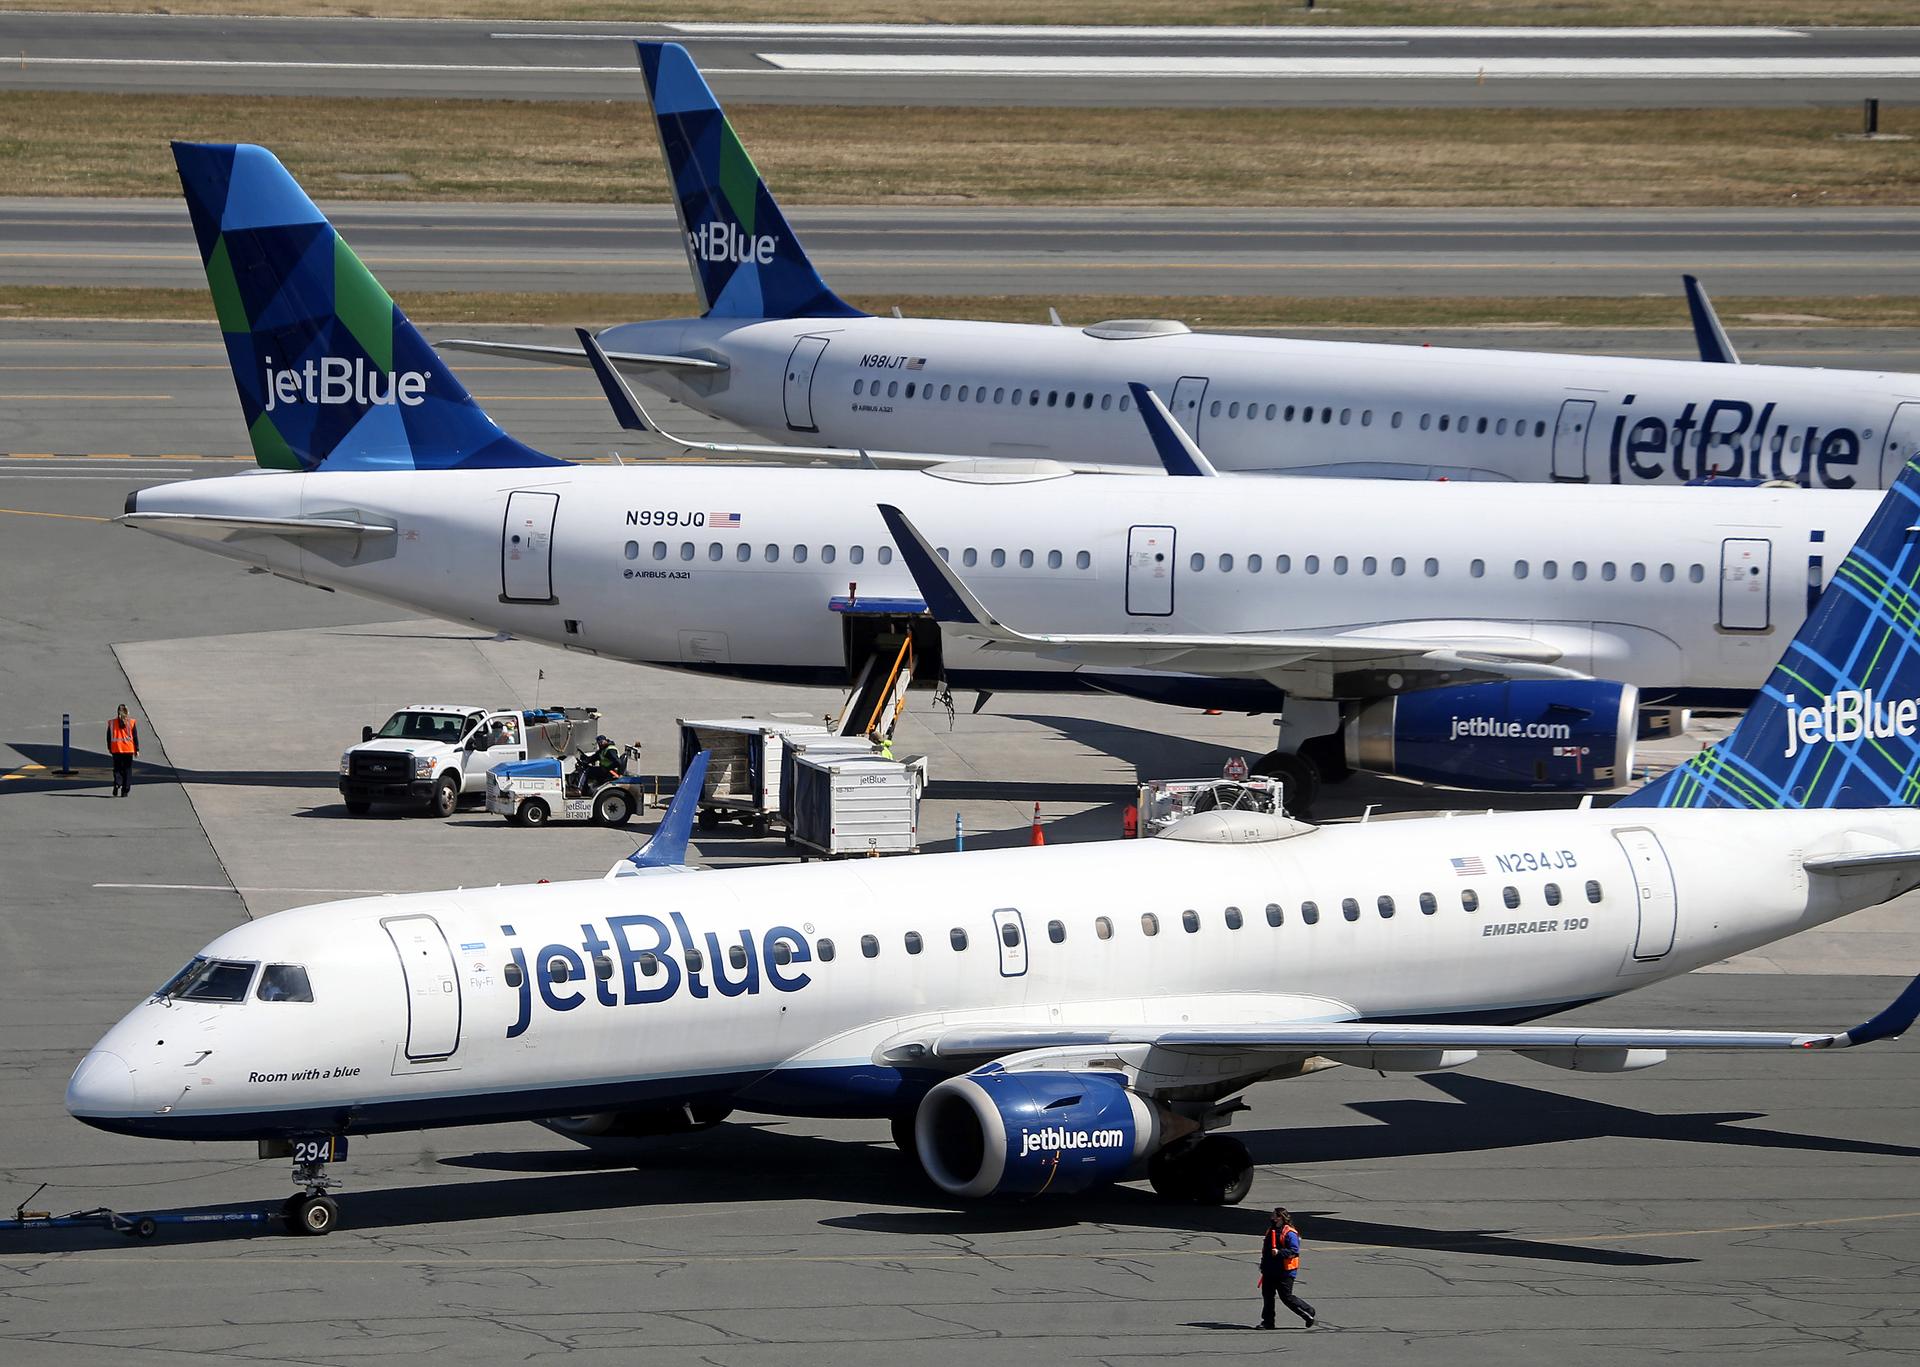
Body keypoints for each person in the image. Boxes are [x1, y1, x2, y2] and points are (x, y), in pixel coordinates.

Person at [1258, 1207, 1315, 1330]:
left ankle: (1307, 1311)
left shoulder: (1289, 1233)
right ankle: (1268, 1322)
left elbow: (1294, 1251)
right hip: (1269, 1269)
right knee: (1267, 1296)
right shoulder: (1271, 1230)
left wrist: (1279, 1253)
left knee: (1286, 1297)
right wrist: (1263, 1264)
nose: (1271, 1217)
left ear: (1279, 1217)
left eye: (1273, 1215)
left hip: (1284, 1270)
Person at [107, 704, 138, 797]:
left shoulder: (112, 723)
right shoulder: (131, 723)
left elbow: (108, 737)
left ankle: (117, 783)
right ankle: (125, 789)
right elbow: (135, 737)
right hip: (128, 749)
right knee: (127, 769)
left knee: (117, 768)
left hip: (116, 748)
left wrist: (109, 747)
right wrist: (137, 749)